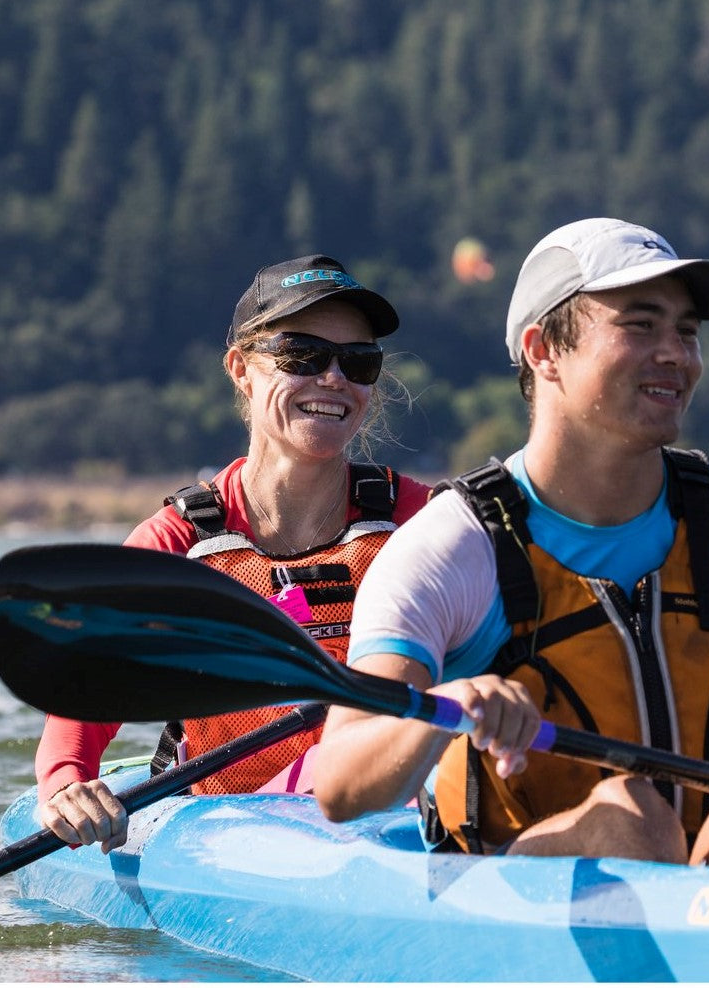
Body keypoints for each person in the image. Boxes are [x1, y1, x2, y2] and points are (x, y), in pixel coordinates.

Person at [315, 218, 709, 866]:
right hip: (517, 896)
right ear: (544, 349)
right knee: (632, 818)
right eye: (641, 325)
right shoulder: (447, 551)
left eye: (686, 331)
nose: (677, 353)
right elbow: (341, 784)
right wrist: (444, 707)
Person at [34, 254, 431, 853]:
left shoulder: (421, 521)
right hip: (225, 831)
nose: (333, 379)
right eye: (303, 355)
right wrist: (66, 785)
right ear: (241, 369)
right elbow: (83, 700)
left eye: (359, 361)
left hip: (385, 816)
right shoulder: (178, 544)